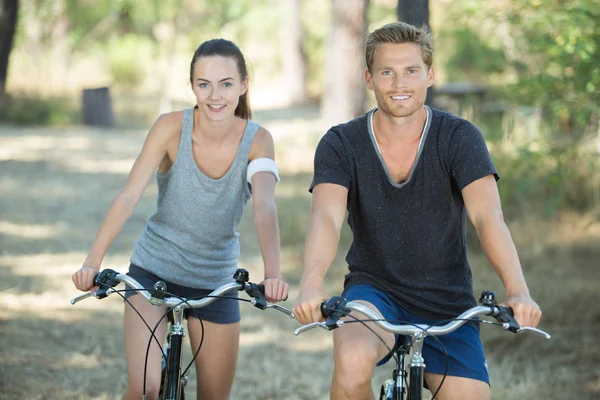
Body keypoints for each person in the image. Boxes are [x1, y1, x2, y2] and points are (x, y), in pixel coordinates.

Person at [293, 21, 542, 400]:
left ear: (430, 75)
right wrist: (311, 283)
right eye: (386, 72)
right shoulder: (342, 142)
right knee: (353, 357)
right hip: (374, 291)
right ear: (369, 78)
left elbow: (487, 216)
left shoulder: (459, 137)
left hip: (448, 300)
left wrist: (518, 290)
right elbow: (325, 217)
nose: (399, 83)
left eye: (410, 70)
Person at [72, 38, 289, 400]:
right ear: (192, 87)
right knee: (144, 391)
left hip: (215, 282)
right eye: (204, 84)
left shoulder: (258, 140)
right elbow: (129, 196)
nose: (215, 95)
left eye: (226, 84)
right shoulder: (171, 127)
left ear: (243, 85)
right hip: (152, 273)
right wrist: (91, 263)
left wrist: (274, 274)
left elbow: (264, 206)